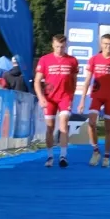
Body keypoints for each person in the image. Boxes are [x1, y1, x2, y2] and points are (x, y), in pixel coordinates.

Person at [78, 34, 110, 167]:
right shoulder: (94, 59)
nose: (108, 46)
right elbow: (87, 80)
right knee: (91, 123)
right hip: (96, 96)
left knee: (109, 128)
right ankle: (95, 151)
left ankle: (106, 156)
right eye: (105, 44)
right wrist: (82, 100)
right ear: (101, 44)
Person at [35, 35, 78, 168]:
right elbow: (37, 81)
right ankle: (50, 156)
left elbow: (74, 80)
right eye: (57, 46)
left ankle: (63, 156)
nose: (60, 49)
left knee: (63, 125)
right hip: (49, 98)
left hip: (65, 97)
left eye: (62, 47)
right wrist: (41, 97)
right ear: (53, 45)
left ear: (66, 46)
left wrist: (71, 95)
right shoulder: (45, 59)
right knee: (50, 127)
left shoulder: (72, 60)